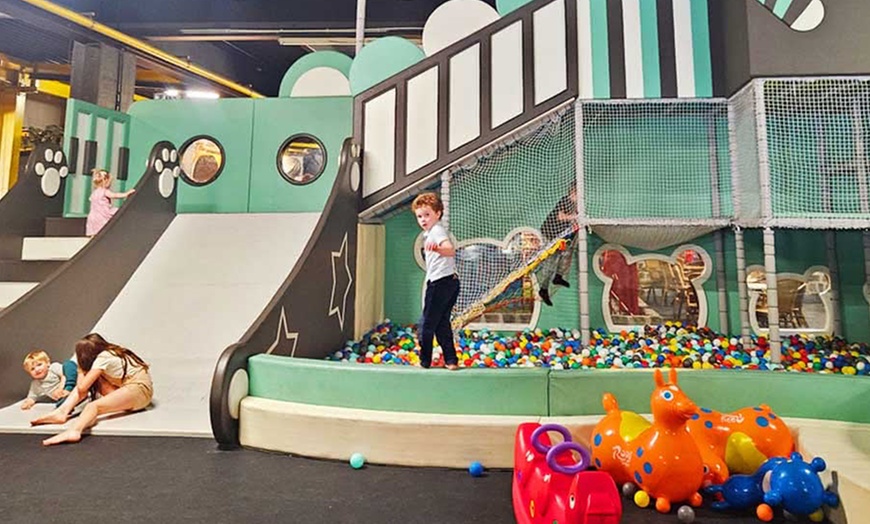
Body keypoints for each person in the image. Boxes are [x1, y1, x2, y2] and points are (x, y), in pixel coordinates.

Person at [31, 333, 153, 446]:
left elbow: (82, 387)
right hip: (130, 389)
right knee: (93, 378)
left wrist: (80, 369)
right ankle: (62, 412)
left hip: (140, 391)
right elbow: (83, 390)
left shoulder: (103, 358)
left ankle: (74, 431)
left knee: (93, 406)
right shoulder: (107, 352)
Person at [412, 193, 460, 370]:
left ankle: (424, 361)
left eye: (427, 215)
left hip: (440, 283)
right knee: (441, 324)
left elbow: (450, 250)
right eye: (419, 216)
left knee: (426, 324)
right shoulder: (430, 233)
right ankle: (451, 360)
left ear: (438, 214)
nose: (423, 220)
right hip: (450, 282)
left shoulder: (437, 231)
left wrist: (438, 249)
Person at [538, 185, 579, 306]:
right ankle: (543, 289)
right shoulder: (566, 200)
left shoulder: (575, 206)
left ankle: (558, 277)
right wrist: (576, 217)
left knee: (565, 254)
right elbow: (561, 216)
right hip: (550, 236)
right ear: (573, 191)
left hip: (560, 238)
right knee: (551, 262)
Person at [86, 169, 135, 237]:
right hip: (102, 215)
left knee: (95, 232)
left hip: (93, 216)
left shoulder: (94, 193)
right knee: (117, 212)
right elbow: (115, 195)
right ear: (106, 181)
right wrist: (126, 194)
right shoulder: (104, 191)